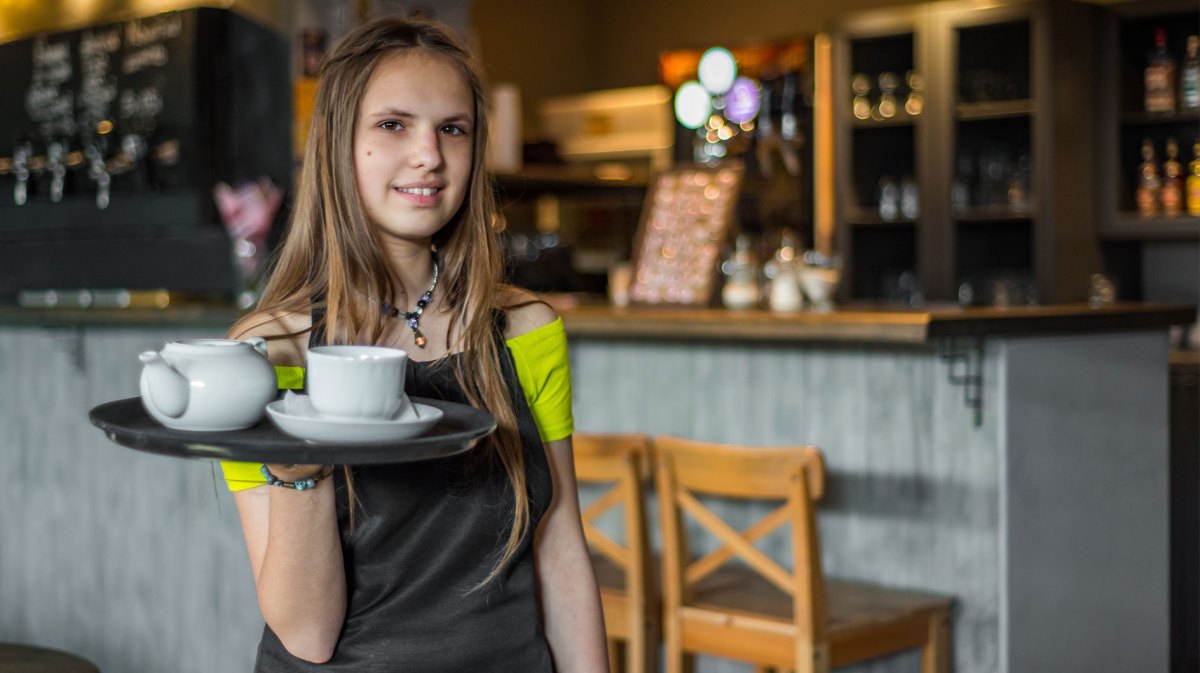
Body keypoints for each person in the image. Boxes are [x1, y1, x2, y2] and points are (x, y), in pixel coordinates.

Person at [217, 16, 608, 672]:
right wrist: (298, 468)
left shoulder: (526, 331)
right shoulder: (263, 355)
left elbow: (561, 546)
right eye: (393, 124)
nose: (429, 153)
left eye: (452, 128)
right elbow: (307, 634)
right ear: (340, 142)